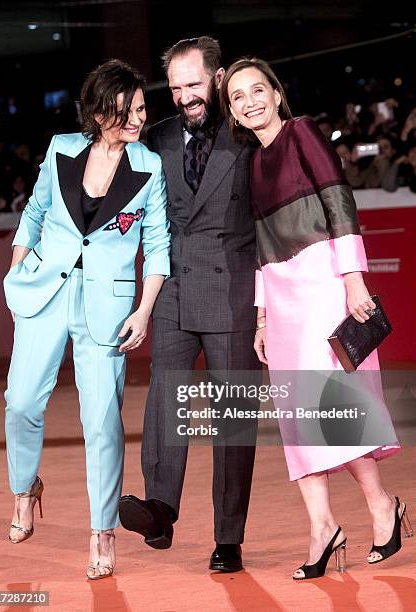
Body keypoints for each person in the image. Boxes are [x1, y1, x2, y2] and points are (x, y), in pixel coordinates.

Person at [220, 57, 412, 580]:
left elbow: (338, 201)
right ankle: (323, 527)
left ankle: (381, 506)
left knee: (333, 409)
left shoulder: (303, 132)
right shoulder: (250, 162)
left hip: (325, 281)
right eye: (238, 97)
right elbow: (261, 243)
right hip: (281, 299)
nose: (250, 101)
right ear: (233, 112)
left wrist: (353, 278)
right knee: (299, 420)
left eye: (257, 90)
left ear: (276, 94)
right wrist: (261, 315)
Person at [3, 59, 170, 580]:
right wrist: (17, 265)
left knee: (101, 422)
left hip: (110, 309)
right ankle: (25, 487)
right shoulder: (61, 149)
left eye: (142, 108)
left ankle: (102, 531)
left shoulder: (149, 167)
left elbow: (157, 243)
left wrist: (143, 310)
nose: (139, 119)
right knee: (21, 401)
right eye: (128, 111)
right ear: (100, 112)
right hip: (44, 292)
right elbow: (35, 211)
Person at [118, 37, 261, 573]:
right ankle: (160, 508)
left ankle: (229, 537)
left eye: (193, 84)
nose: (184, 96)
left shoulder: (247, 139)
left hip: (234, 293)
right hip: (174, 292)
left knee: (232, 420)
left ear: (218, 78)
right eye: (175, 88)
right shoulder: (155, 140)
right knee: (165, 401)